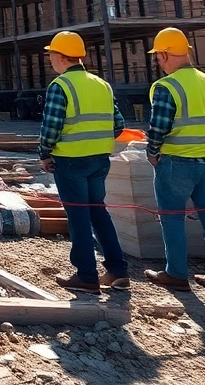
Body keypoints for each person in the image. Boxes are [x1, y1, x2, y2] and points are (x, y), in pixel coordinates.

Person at [37, 32, 128, 293]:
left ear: (61, 57)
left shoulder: (60, 85)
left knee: (77, 216)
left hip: (70, 161)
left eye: (51, 54)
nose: (50, 59)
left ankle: (87, 275)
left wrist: (44, 154)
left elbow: (51, 127)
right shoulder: (102, 84)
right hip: (100, 159)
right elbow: (118, 124)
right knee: (98, 212)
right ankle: (118, 270)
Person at [141, 27, 205, 292]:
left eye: (158, 56)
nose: (158, 61)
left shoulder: (167, 86)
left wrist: (152, 153)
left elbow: (159, 126)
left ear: (164, 54)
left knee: (172, 216)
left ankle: (176, 274)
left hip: (177, 163)